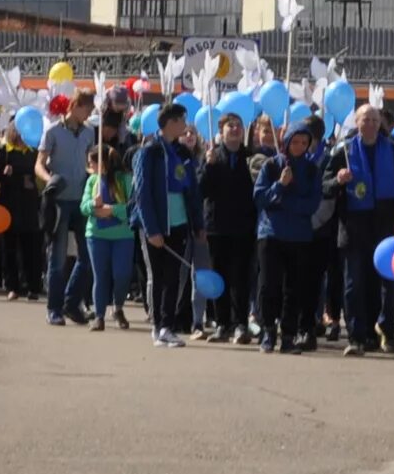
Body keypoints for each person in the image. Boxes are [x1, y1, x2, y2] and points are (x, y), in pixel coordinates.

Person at [331, 104, 394, 357]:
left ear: (382, 124)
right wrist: (337, 180)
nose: (370, 125)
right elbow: (324, 184)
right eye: (365, 120)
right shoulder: (342, 150)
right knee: (354, 283)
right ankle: (356, 336)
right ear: (356, 123)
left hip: (387, 225)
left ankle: (387, 330)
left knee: (388, 283)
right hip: (354, 226)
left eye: (375, 120)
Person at [252, 117, 327, 353]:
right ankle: (267, 330)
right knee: (268, 285)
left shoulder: (312, 170)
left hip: (299, 236)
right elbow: (260, 198)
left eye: (304, 142)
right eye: (295, 141)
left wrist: (283, 201)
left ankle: (288, 334)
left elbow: (312, 204)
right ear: (287, 142)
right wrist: (280, 186)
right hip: (271, 234)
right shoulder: (272, 166)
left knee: (293, 288)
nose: (299, 146)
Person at [132, 106, 203, 347]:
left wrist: (198, 223)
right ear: (170, 123)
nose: (185, 123)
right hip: (156, 225)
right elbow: (142, 194)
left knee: (175, 277)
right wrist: (152, 229)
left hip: (180, 223)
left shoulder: (183, 151)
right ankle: (156, 325)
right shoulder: (149, 152)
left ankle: (167, 326)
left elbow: (192, 189)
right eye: (181, 119)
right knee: (158, 277)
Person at [197, 112, 260, 344]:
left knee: (241, 277)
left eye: (238, 125)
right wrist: (209, 166)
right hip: (217, 226)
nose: (235, 129)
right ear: (221, 131)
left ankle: (240, 324)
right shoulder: (212, 156)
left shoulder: (250, 157)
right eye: (230, 126)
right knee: (219, 277)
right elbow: (201, 189)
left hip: (243, 226)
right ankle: (222, 323)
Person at [39, 97, 95, 327]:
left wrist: (94, 174)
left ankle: (71, 302)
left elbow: (89, 161)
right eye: (87, 108)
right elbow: (39, 162)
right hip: (60, 200)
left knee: (87, 256)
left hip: (81, 199)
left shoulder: (89, 133)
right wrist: (49, 179)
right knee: (58, 258)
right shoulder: (52, 131)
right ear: (76, 106)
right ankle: (54, 308)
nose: (89, 113)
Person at [79, 136, 141, 330]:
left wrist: (112, 210)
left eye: (92, 161)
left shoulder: (125, 179)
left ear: (102, 162)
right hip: (97, 234)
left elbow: (132, 207)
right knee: (100, 275)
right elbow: (84, 207)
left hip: (123, 235)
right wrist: (93, 205)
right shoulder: (92, 181)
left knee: (122, 274)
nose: (89, 165)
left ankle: (118, 306)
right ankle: (99, 316)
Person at [0, 118, 43, 299]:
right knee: (9, 247)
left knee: (30, 247)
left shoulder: (33, 153)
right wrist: (4, 174)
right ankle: (12, 286)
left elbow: (39, 176)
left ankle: (32, 286)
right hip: (8, 203)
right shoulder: (4, 151)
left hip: (28, 204)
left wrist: (32, 182)